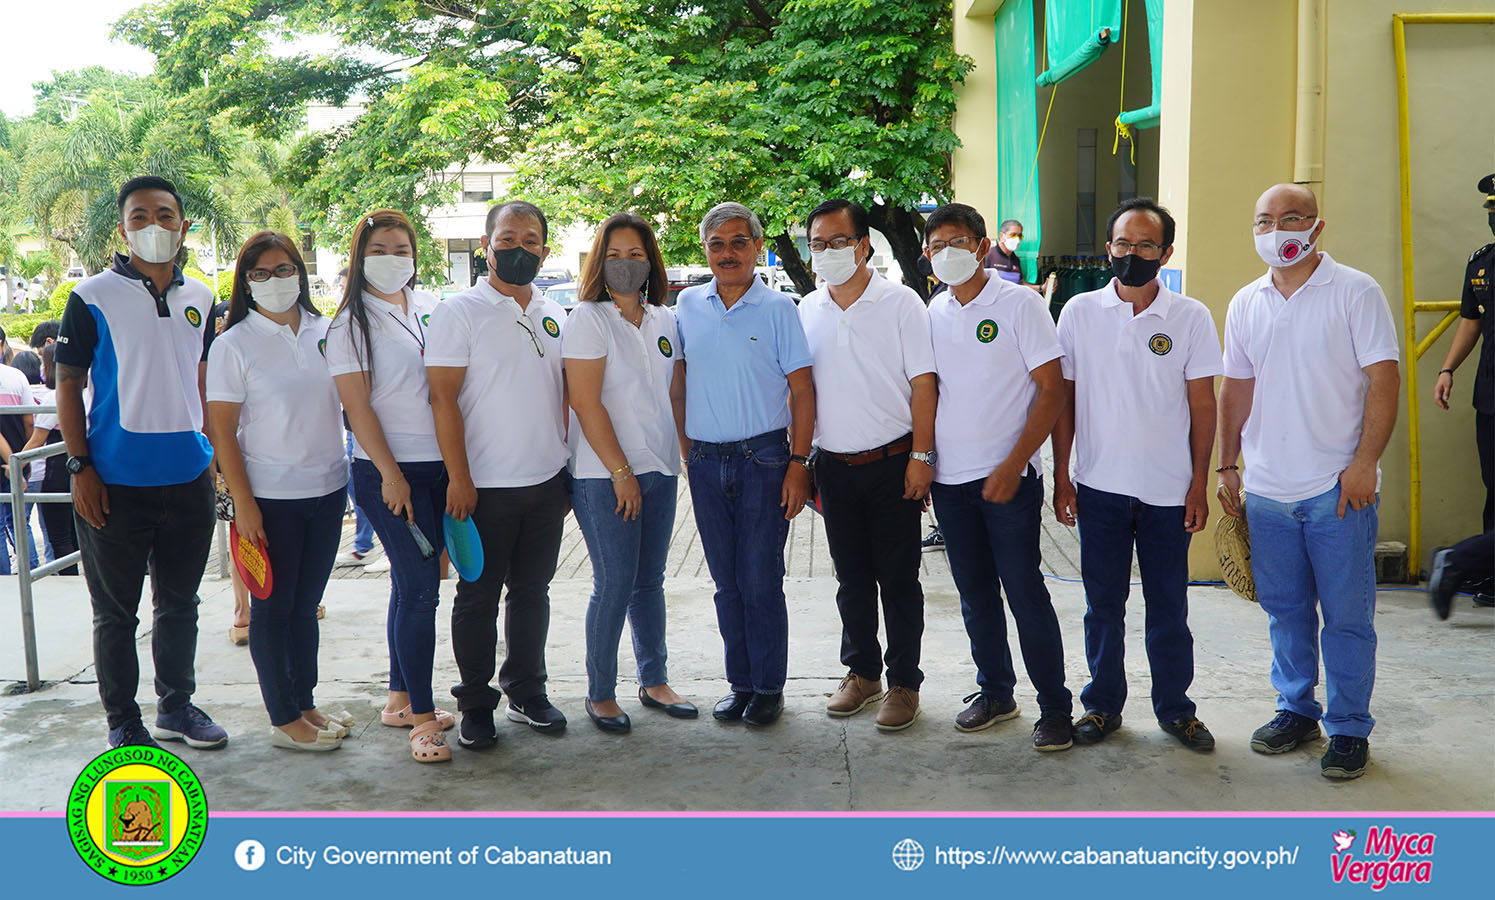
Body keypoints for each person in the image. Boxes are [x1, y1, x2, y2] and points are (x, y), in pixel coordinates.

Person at [1218, 183, 1400, 780]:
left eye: (1291, 218)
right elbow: (1236, 387)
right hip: (1268, 490)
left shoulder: (1354, 291)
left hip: (1336, 490)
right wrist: (1228, 466)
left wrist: (1365, 461)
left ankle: (1348, 728)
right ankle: (1296, 708)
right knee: (1286, 610)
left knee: (1347, 617)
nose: (1278, 230)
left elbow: (1383, 379)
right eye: (1265, 220)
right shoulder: (1246, 301)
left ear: (1317, 227)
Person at [55, 175, 227, 750]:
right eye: (140, 217)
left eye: (165, 215)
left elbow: (199, 384)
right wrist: (80, 468)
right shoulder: (91, 296)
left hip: (186, 478)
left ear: (183, 225)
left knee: (181, 602)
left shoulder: (201, 297)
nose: (154, 226)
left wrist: (215, 462)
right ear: (123, 227)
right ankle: (123, 721)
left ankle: (176, 706)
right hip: (114, 483)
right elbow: (69, 382)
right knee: (116, 613)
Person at [1052, 197, 1222, 753]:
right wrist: (1062, 474)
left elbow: (1204, 407)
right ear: (1108, 249)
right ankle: (1102, 707)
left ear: (1166, 252)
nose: (1133, 254)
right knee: (1102, 608)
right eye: (1123, 244)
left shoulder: (1190, 317)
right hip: (1099, 489)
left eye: (1146, 245)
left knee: (1169, 609)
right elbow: (1065, 401)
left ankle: (1176, 710)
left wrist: (1199, 483)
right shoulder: (1078, 313)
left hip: (1168, 494)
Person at [921, 203, 1073, 751]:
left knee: (1025, 593)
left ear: (983, 247)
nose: (947, 254)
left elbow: (1052, 391)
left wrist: (1013, 465)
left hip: (1009, 482)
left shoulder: (1019, 305)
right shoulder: (932, 312)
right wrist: (925, 463)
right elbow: (928, 394)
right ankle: (995, 691)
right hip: (951, 485)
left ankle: (1055, 707)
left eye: (957, 242)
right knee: (974, 595)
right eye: (936, 246)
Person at [426, 200, 571, 747]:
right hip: (482, 487)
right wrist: (458, 479)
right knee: (478, 596)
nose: (518, 249)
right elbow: (442, 398)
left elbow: (565, 397)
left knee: (532, 592)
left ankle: (527, 691)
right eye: (507, 239)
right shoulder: (459, 311)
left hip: (546, 482)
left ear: (544, 250)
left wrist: (565, 473)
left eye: (530, 240)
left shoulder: (555, 312)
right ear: (486, 245)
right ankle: (476, 703)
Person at [207, 231, 352, 752]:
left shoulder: (326, 330)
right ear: (246, 282)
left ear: (301, 272)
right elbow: (222, 431)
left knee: (305, 604)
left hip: (329, 487)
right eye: (260, 273)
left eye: (284, 269)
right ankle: (283, 717)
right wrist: (244, 505)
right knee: (273, 608)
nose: (274, 281)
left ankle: (305, 703)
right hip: (269, 497)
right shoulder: (233, 344)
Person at [676, 201, 815, 728]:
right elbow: (680, 384)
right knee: (725, 582)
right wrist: (688, 454)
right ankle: (739, 684)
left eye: (739, 242)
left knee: (760, 579)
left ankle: (768, 687)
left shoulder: (780, 309)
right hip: (707, 462)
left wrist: (799, 462)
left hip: (765, 460)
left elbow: (802, 390)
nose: (728, 253)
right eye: (717, 244)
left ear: (758, 247)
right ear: (705, 251)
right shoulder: (687, 305)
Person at [798, 198, 934, 732]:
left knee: (899, 580)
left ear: (863, 246)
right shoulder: (807, 309)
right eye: (817, 244)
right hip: (833, 466)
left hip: (895, 462)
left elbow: (925, 384)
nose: (828, 252)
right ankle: (862, 674)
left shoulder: (902, 304)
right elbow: (800, 391)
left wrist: (922, 457)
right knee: (851, 579)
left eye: (838, 241)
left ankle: (904, 682)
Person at [325, 209, 453, 763]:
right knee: (422, 588)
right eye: (381, 248)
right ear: (360, 257)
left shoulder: (429, 308)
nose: (394, 258)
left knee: (413, 582)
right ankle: (423, 721)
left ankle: (401, 698)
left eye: (403, 249)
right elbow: (357, 408)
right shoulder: (350, 323)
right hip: (385, 472)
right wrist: (392, 476)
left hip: (437, 466)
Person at [562, 212, 695, 734]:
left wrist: (683, 456)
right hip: (605, 475)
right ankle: (600, 692)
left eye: (635, 255)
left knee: (649, 582)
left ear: (650, 261)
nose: (624, 265)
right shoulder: (588, 319)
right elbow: (584, 401)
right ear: (599, 262)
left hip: (659, 468)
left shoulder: (664, 319)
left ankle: (654, 679)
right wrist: (620, 472)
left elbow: (675, 394)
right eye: (613, 256)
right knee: (614, 582)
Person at [1428, 173, 1495, 611]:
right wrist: (1448, 367)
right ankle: (1480, 571)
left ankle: (1461, 560)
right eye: (1492, 211)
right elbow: (1471, 319)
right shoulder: (1482, 262)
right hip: (1489, 397)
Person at [22, 344, 78, 574]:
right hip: (87, 466)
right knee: (78, 535)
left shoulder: (54, 396)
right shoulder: (89, 393)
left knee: (60, 537)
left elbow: (37, 440)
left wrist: (16, 463)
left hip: (58, 469)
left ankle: (70, 581)